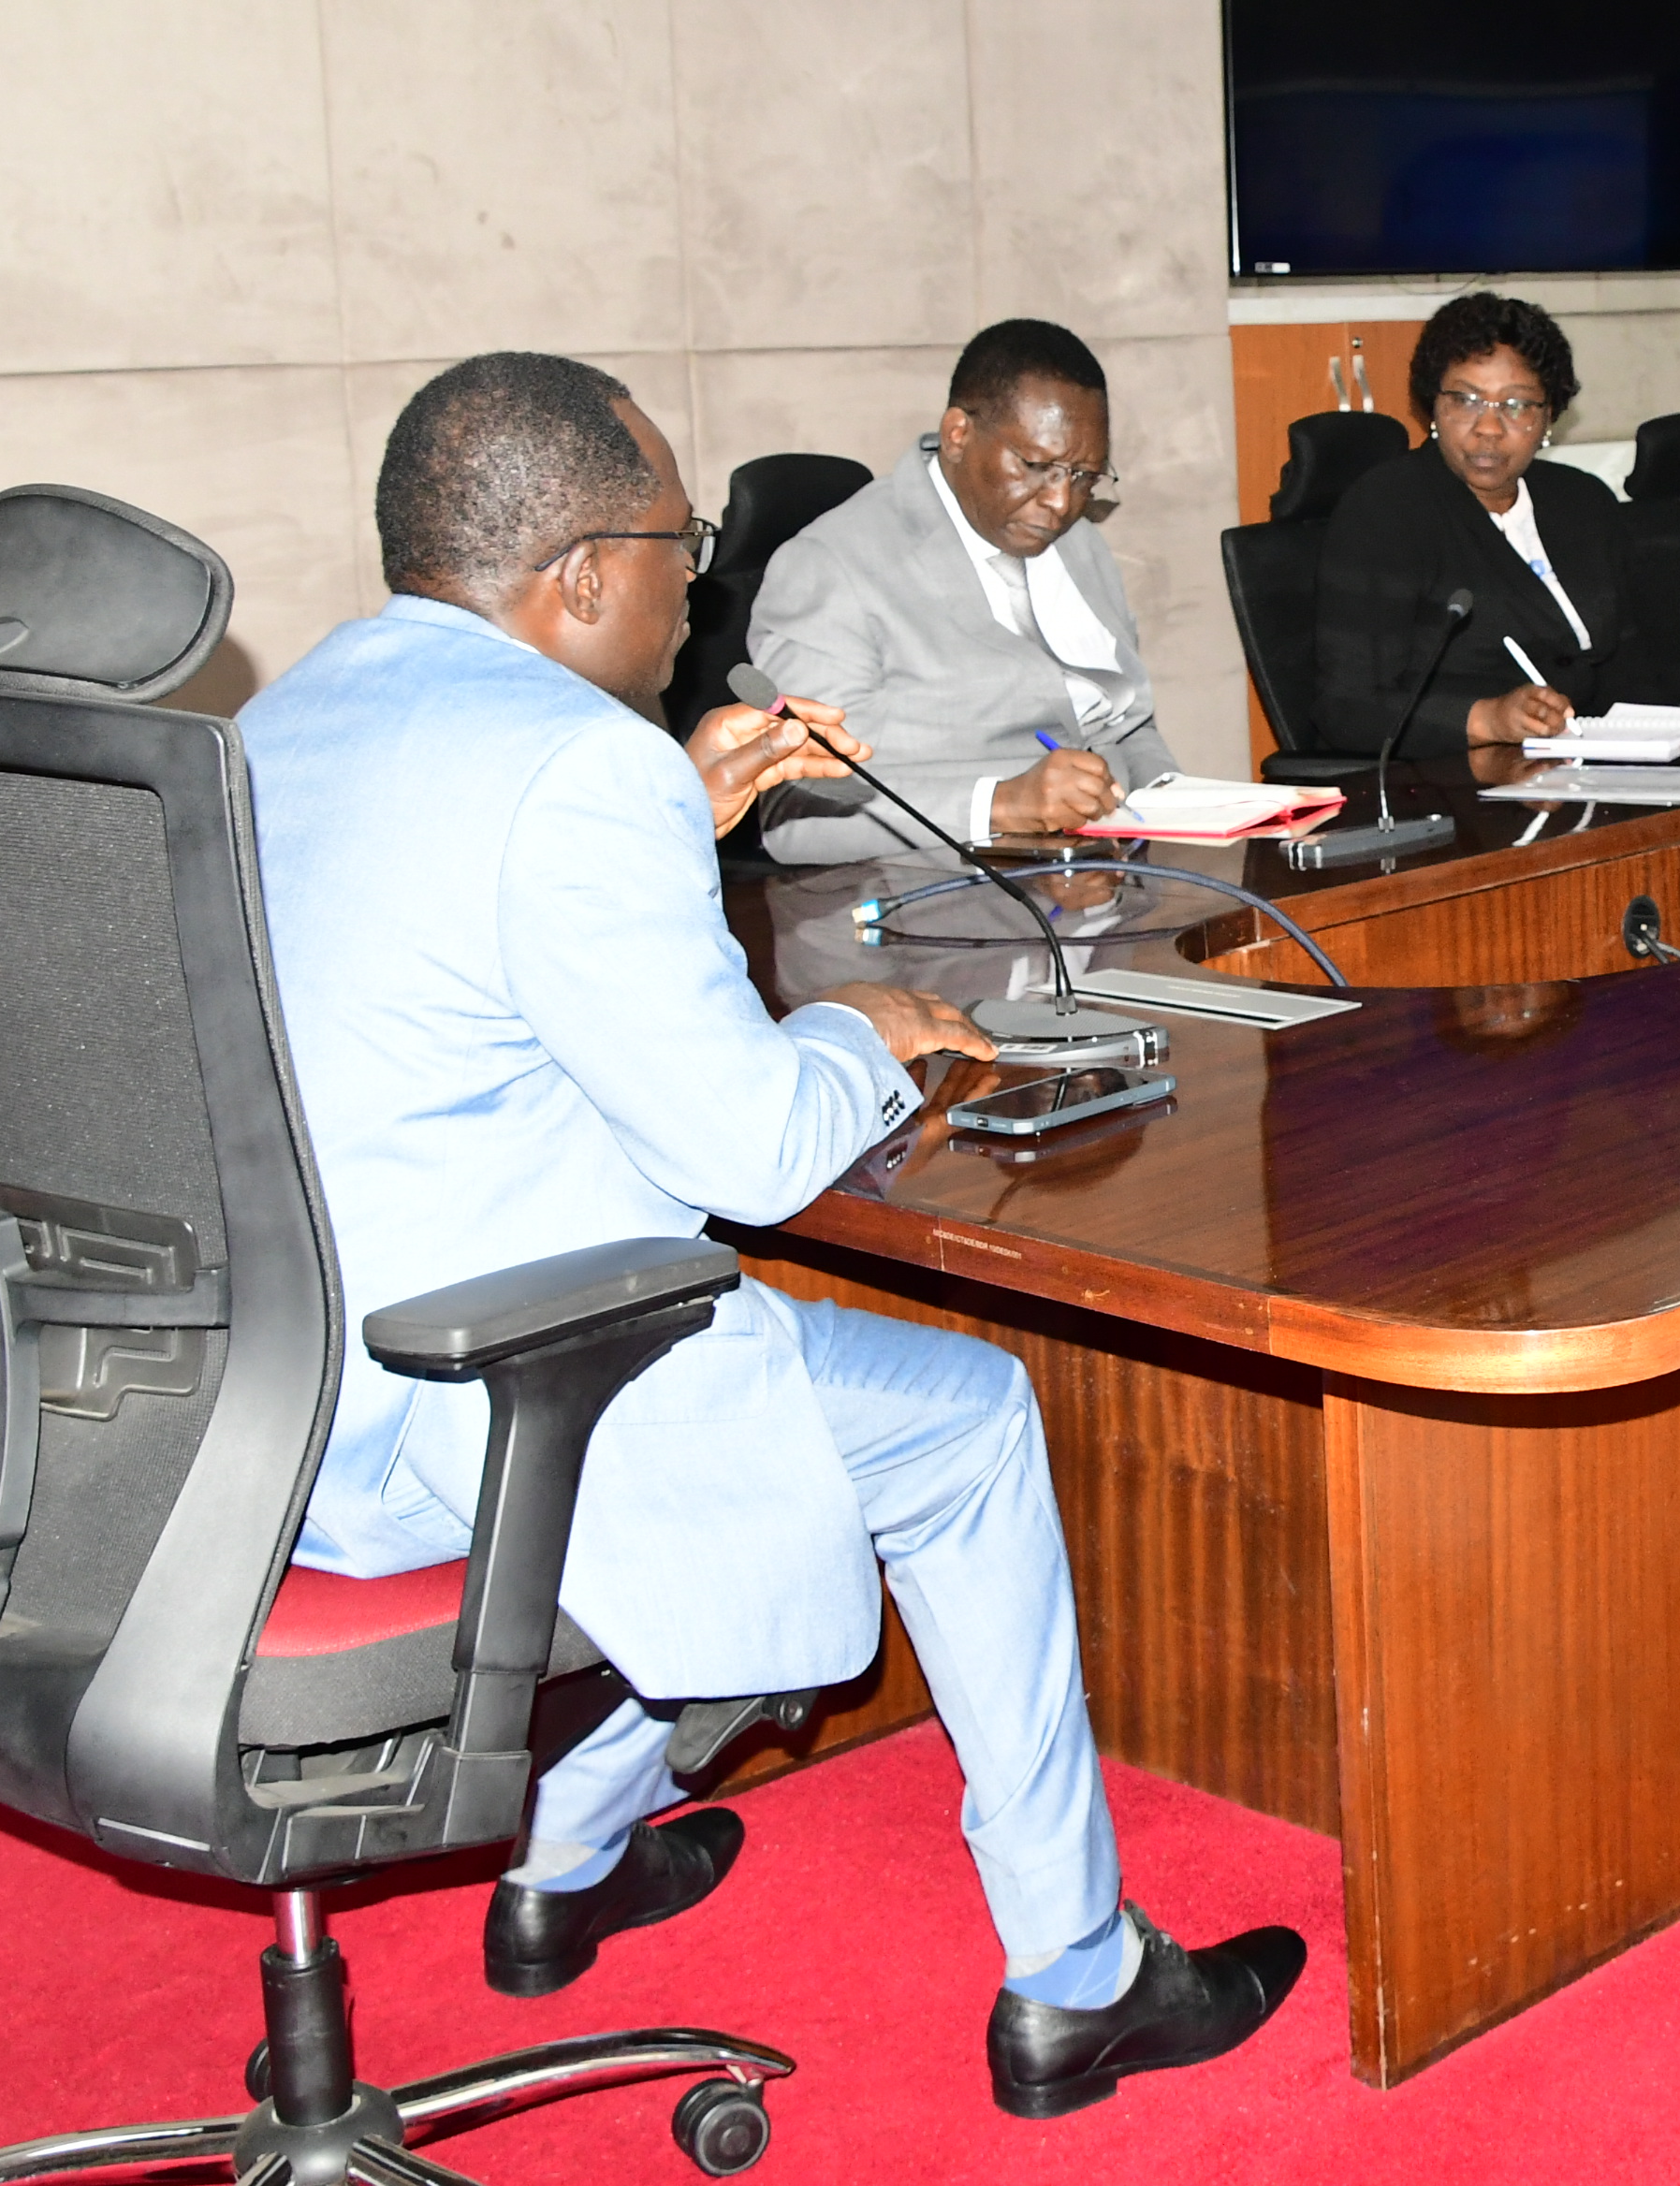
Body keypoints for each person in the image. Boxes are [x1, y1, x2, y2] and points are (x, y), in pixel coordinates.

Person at [238, 353, 1300, 2117]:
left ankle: (568, 1858)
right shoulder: (579, 766)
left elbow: (456, 962)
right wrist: (863, 1029)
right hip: (493, 1388)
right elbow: (747, 1147)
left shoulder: (291, 716)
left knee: (849, 1401)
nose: (698, 579)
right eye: (682, 541)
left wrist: (678, 804)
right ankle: (1079, 1972)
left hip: (293, 1387)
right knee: (966, 1421)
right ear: (583, 573)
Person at [748, 320, 1175, 864]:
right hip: (931, 908)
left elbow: (1129, 723)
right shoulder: (829, 567)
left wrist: (1189, 812)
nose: (1062, 503)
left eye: (1085, 476)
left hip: (1104, 878)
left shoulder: (1078, 546)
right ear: (958, 434)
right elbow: (796, 815)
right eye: (1038, 467)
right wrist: (998, 804)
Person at [1313, 290, 1634, 756]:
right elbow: (1347, 707)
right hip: (1447, 784)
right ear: (1434, 407)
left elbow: (1635, 662)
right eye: (1466, 400)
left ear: (1548, 417)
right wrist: (1488, 718)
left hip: (1596, 766)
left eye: (1516, 405)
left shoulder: (1584, 503)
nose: (1488, 427)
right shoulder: (1386, 511)